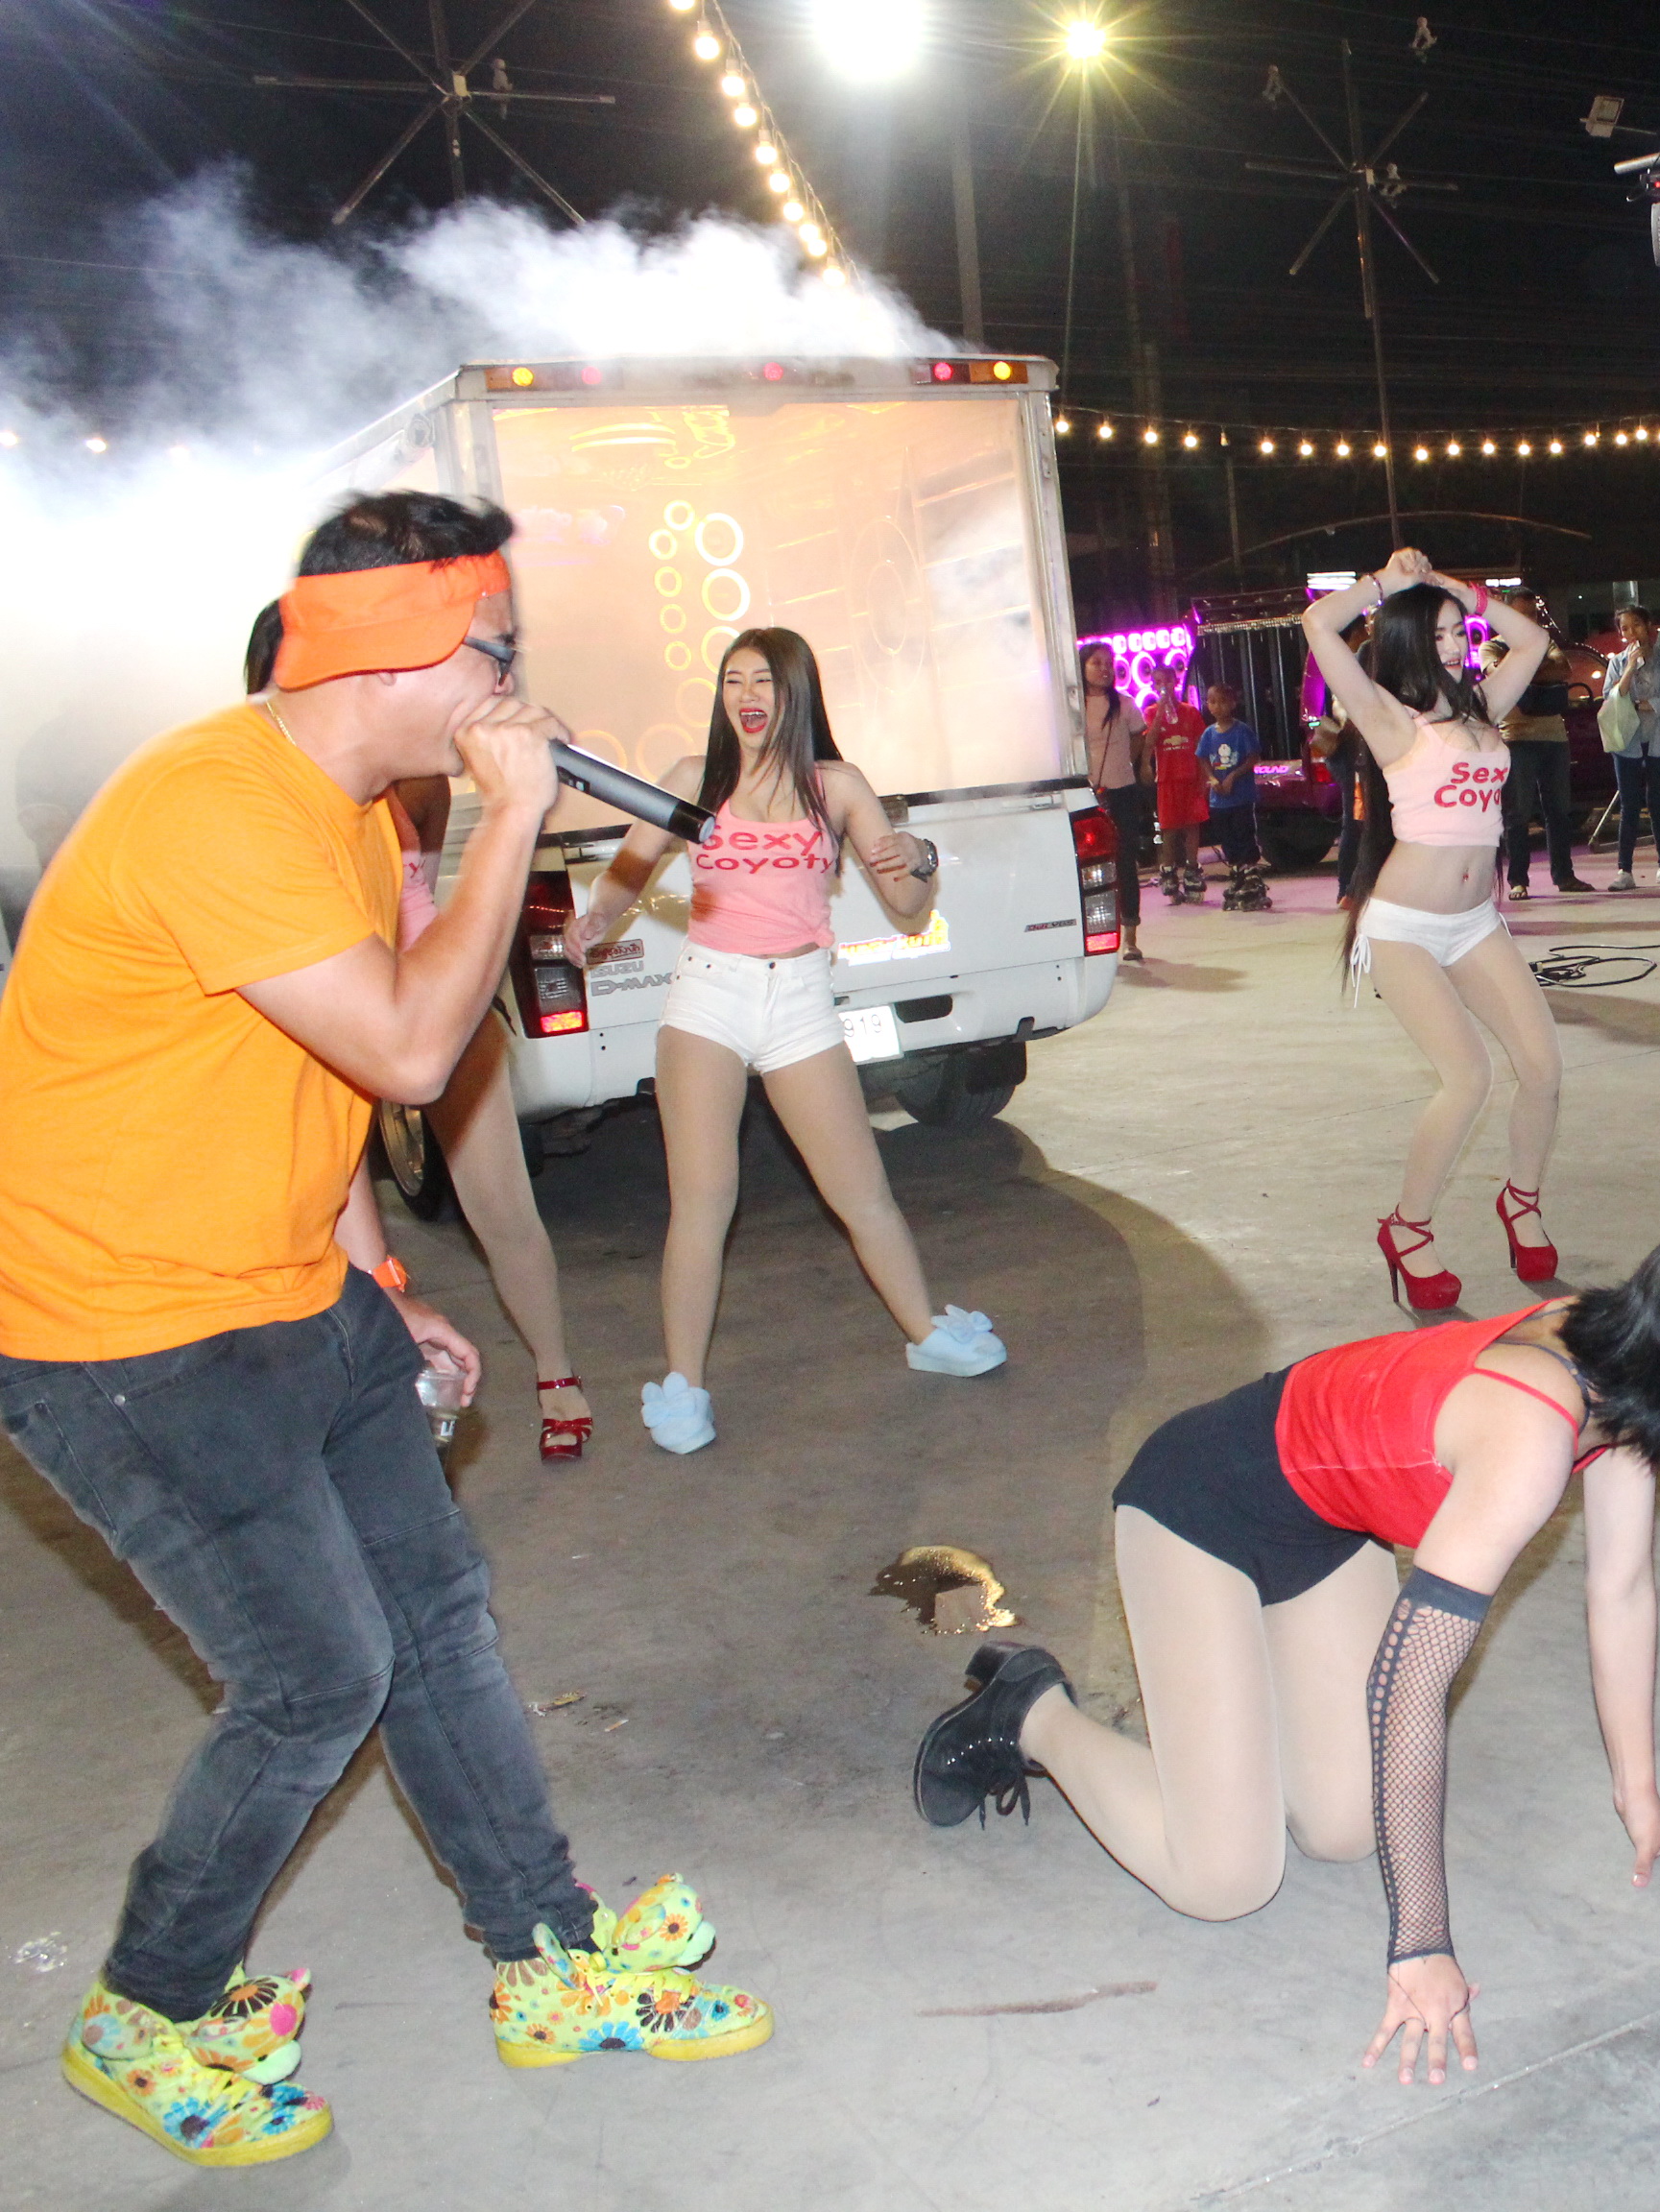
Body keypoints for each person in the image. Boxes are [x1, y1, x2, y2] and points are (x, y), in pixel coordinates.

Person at [0, 493, 769, 2169]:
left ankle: (543, 1951)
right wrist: (513, 819)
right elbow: (421, 1051)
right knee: (315, 1676)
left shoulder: (342, 807)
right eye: (496, 653)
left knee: (436, 1619)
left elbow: (336, 1076)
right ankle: (147, 1999)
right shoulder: (214, 805)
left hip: (289, 1288)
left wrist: (386, 1290)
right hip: (120, 1329)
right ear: (397, 652)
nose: (515, 692)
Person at [913, 1218, 1660, 2084]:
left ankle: (1234, 1700)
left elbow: (1623, 1589)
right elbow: (1410, 1688)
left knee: (1346, 1827)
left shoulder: (1628, 1363)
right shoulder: (1531, 1430)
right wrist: (1421, 1943)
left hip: (1325, 1522)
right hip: (1197, 1508)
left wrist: (1641, 1801)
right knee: (1225, 1879)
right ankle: (1030, 1710)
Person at [565, 630, 998, 1452]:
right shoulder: (695, 780)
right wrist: (597, 918)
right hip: (709, 998)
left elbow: (908, 907)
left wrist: (921, 856)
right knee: (703, 1203)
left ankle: (926, 1334)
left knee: (862, 1193)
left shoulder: (837, 786)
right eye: (733, 680)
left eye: (762, 679)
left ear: (795, 690)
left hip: (800, 1002)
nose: (745, 694)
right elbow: (631, 868)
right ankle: (684, 1387)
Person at [237, 604, 593, 1461]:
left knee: (501, 1204)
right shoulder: (254, 799)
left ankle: (556, 1375)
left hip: (430, 1003)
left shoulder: (410, 779)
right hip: (317, 1013)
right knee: (315, 1211)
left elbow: (421, 898)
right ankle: (356, 1396)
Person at [1302, 552, 1565, 1308]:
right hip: (1405, 928)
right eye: (1439, 634)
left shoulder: (1480, 708)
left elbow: (1534, 642)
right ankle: (1407, 1227)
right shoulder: (1389, 717)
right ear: (1409, 641)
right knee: (1469, 1078)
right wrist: (1386, 584)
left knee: (1543, 1069)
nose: (1454, 646)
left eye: (1459, 633)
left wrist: (1461, 591)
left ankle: (1521, 1202)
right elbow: (1318, 623)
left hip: (1476, 922)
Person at [1498, 593, 1595, 898]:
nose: (1530, 621)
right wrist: (1537, 669)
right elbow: (1499, 676)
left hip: (1554, 737)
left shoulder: (1545, 642)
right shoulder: (1494, 646)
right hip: (1516, 738)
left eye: (1534, 614)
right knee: (1518, 814)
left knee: (1559, 812)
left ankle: (1564, 876)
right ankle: (1518, 880)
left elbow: (1563, 669)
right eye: (1522, 614)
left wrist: (1523, 671)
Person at [1596, 604, 1660, 890]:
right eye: (1625, 628)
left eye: (1637, 626)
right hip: (1627, 740)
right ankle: (1624, 869)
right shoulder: (1617, 662)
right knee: (1629, 804)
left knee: (1658, 802)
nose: (1632, 633)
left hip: (1658, 739)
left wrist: (1643, 704)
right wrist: (1629, 668)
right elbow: (1612, 696)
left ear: (1650, 626)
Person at [1082, 644, 1150, 931]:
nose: (1105, 669)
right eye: (1096, 663)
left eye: (1109, 663)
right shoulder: (1074, 706)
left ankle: (1130, 933)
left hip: (1122, 790)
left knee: (1124, 861)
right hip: (1085, 794)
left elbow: (1140, 736)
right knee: (1088, 864)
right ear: (1082, 666)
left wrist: (1127, 763)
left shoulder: (1125, 703)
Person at [1197, 680, 1266, 909]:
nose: (1216, 706)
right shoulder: (1208, 734)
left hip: (1241, 798)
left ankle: (1251, 875)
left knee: (1243, 834)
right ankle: (1237, 873)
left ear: (1233, 703)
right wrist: (1212, 778)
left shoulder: (1241, 731)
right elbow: (1202, 758)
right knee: (1227, 838)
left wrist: (1233, 776)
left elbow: (1253, 756)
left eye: (1222, 702)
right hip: (1219, 801)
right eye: (1212, 702)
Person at [1148, 663, 1210, 901]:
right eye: (1158, 682)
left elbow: (1201, 746)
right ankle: (1168, 871)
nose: (1164, 686)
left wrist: (1204, 777)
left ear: (1176, 682)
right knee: (1169, 828)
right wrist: (1161, 711)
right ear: (1153, 686)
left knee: (1192, 825)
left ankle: (1192, 869)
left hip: (1191, 777)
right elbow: (1150, 742)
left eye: (1168, 681)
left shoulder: (1190, 712)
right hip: (1167, 778)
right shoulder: (1151, 712)